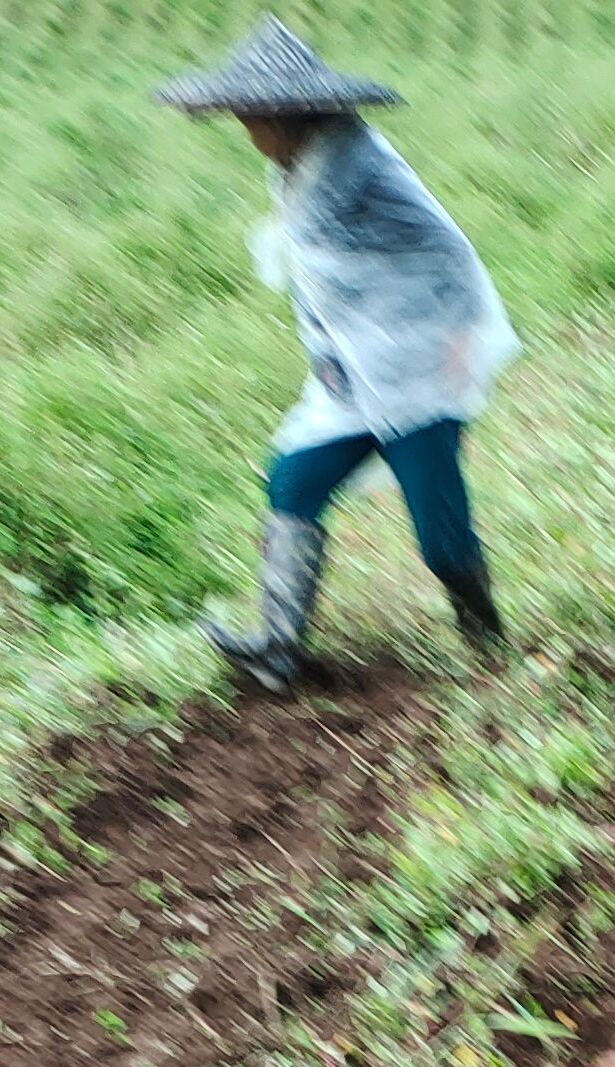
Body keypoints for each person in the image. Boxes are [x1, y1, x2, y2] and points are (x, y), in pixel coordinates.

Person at [158, 14, 516, 685]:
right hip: (353, 376)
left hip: (416, 369)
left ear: (284, 113)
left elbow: (445, 247)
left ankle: (490, 649)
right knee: (294, 480)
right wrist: (325, 357)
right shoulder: (295, 166)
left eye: (249, 117)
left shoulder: (350, 159)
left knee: (440, 534)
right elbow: (322, 277)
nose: (245, 130)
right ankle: (278, 648)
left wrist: (462, 334)